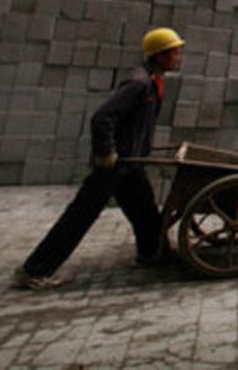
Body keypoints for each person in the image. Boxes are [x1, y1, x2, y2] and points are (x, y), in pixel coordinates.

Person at [12, 28, 185, 290]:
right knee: (79, 217)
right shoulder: (139, 83)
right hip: (114, 166)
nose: (178, 56)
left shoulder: (152, 81)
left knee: (146, 213)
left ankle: (153, 254)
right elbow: (102, 117)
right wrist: (106, 153)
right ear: (159, 56)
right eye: (174, 52)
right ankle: (34, 270)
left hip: (131, 164)